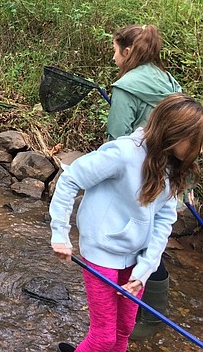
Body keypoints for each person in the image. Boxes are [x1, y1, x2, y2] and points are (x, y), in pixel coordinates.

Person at [50, 93, 203, 352]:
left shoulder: (173, 166)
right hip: (101, 255)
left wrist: (144, 271)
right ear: (175, 134)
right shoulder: (123, 153)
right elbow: (70, 179)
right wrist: (60, 233)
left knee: (124, 331)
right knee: (103, 338)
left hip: (135, 260)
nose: (200, 150)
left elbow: (165, 221)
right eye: (196, 142)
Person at [106, 24, 181, 339]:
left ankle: (142, 318)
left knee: (134, 241)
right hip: (170, 172)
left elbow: (115, 139)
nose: (113, 57)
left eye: (114, 50)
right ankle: (150, 314)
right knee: (153, 240)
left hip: (141, 177)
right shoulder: (168, 80)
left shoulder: (126, 86)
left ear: (127, 51)